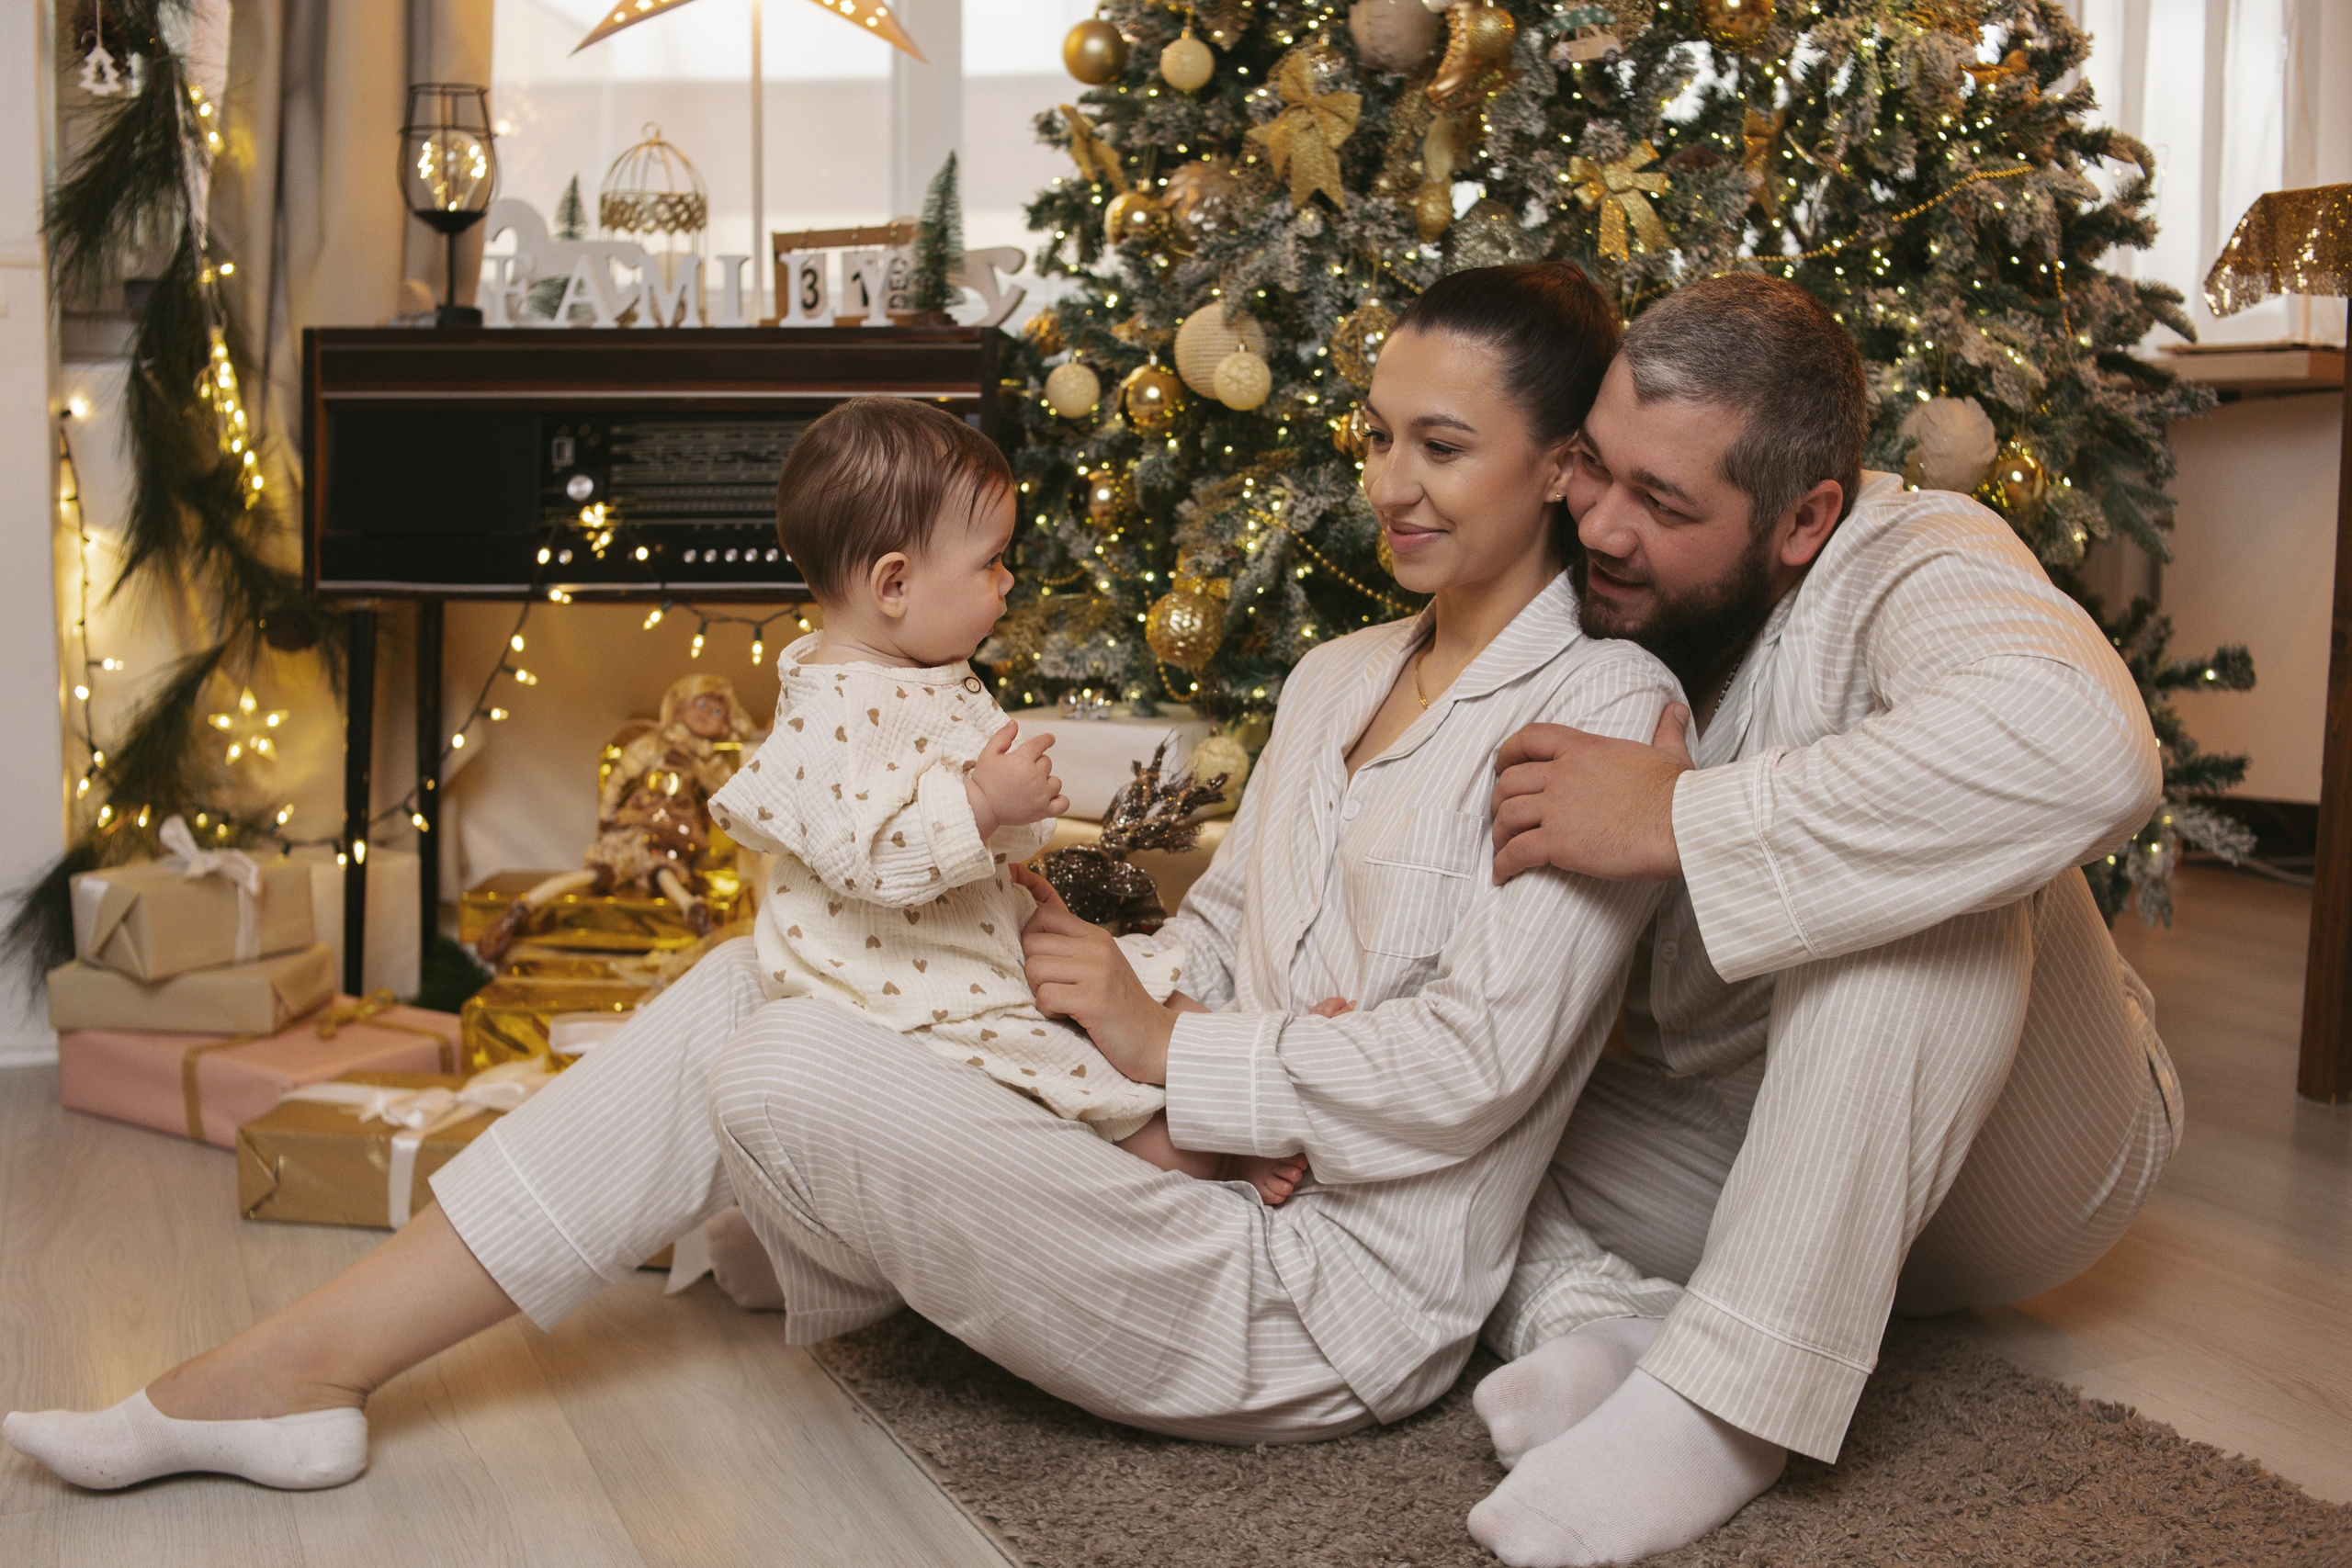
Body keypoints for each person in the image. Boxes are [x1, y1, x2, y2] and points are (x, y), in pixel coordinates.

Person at [4, 262, 1683, 1488]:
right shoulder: (1338, 675)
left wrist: (1181, 1057)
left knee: (785, 1048)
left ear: (1560, 469)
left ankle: (296, 1369)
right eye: (1380, 434)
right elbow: (1233, 928)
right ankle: (303, 1366)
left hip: (1322, 1282)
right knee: (759, 977)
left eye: (1442, 447)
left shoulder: (1607, 710)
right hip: (1192, 1156)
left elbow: (1478, 1070)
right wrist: (1098, 982)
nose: (1389, 481)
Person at [1460, 273, 2182, 1568]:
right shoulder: (1557, 588)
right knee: (1435, 1107)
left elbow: (2087, 749)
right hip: (1744, 1146)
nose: (1601, 528)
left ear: (1805, 520)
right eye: (1595, 470)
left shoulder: (1917, 552)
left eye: (1665, 503)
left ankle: (1730, 1405)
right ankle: (1613, 1320)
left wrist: (1678, 816)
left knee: (1932, 888)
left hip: (2026, 1160)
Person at [697, 395, 1298, 1200]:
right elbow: (869, 858)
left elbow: (975, 826)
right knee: (1079, 1081)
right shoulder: (833, 709)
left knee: (1144, 978)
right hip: (916, 989)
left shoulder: (915, 669)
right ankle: (1217, 1157)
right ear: (895, 583)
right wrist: (982, 801)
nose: (1010, 580)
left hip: (974, 940)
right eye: (991, 561)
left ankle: (1264, 1057)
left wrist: (1007, 811)